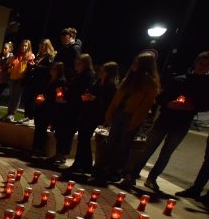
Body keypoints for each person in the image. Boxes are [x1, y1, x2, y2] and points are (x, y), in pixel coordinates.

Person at [124, 51, 209, 191]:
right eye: (201, 63)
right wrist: (169, 103)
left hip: (182, 124)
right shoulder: (179, 79)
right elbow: (161, 97)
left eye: (206, 65)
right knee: (147, 149)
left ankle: (152, 179)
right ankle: (133, 175)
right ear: (196, 63)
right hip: (165, 120)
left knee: (166, 153)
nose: (203, 67)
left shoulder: (206, 85)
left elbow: (206, 104)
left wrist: (192, 106)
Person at [97, 51, 160, 182]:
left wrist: (134, 121)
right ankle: (105, 168)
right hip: (119, 114)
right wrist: (109, 114)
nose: (134, 65)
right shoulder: (128, 79)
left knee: (124, 146)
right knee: (112, 142)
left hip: (131, 117)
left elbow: (145, 106)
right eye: (134, 62)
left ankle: (117, 171)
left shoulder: (150, 84)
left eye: (137, 63)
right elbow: (116, 99)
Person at [67, 62, 119, 175]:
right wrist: (86, 96)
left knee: (85, 138)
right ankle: (80, 164)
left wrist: (94, 99)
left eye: (103, 71)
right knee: (82, 138)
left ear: (108, 73)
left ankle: (85, 165)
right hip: (87, 112)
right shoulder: (97, 82)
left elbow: (109, 103)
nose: (100, 72)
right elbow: (89, 91)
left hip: (96, 116)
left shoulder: (111, 86)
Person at [51, 54, 95, 164]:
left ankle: (63, 155)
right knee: (60, 130)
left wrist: (69, 99)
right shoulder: (76, 74)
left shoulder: (88, 76)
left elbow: (82, 92)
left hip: (74, 109)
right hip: (65, 106)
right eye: (76, 62)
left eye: (78, 63)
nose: (76, 65)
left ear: (85, 64)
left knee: (67, 132)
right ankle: (58, 153)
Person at [32, 62, 67, 156]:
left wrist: (45, 99)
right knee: (38, 126)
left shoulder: (61, 81)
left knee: (42, 127)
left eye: (55, 68)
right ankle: (35, 147)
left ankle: (39, 148)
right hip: (41, 105)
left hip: (49, 106)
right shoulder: (47, 78)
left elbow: (58, 96)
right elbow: (41, 89)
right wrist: (38, 97)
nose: (52, 69)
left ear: (59, 70)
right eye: (52, 67)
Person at [23, 39, 56, 122]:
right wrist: (30, 65)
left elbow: (49, 69)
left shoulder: (50, 57)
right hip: (31, 80)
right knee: (27, 98)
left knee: (34, 100)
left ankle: (31, 116)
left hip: (40, 82)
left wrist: (36, 66)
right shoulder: (38, 55)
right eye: (40, 47)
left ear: (47, 47)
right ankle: (27, 115)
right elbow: (34, 65)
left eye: (42, 47)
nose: (41, 49)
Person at [5, 39, 34, 121]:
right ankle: (8, 113)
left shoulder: (30, 56)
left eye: (25, 46)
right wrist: (11, 67)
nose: (23, 47)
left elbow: (29, 68)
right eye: (22, 45)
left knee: (17, 97)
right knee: (11, 97)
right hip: (13, 78)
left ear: (28, 47)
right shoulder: (16, 55)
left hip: (21, 79)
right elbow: (10, 67)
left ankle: (12, 114)